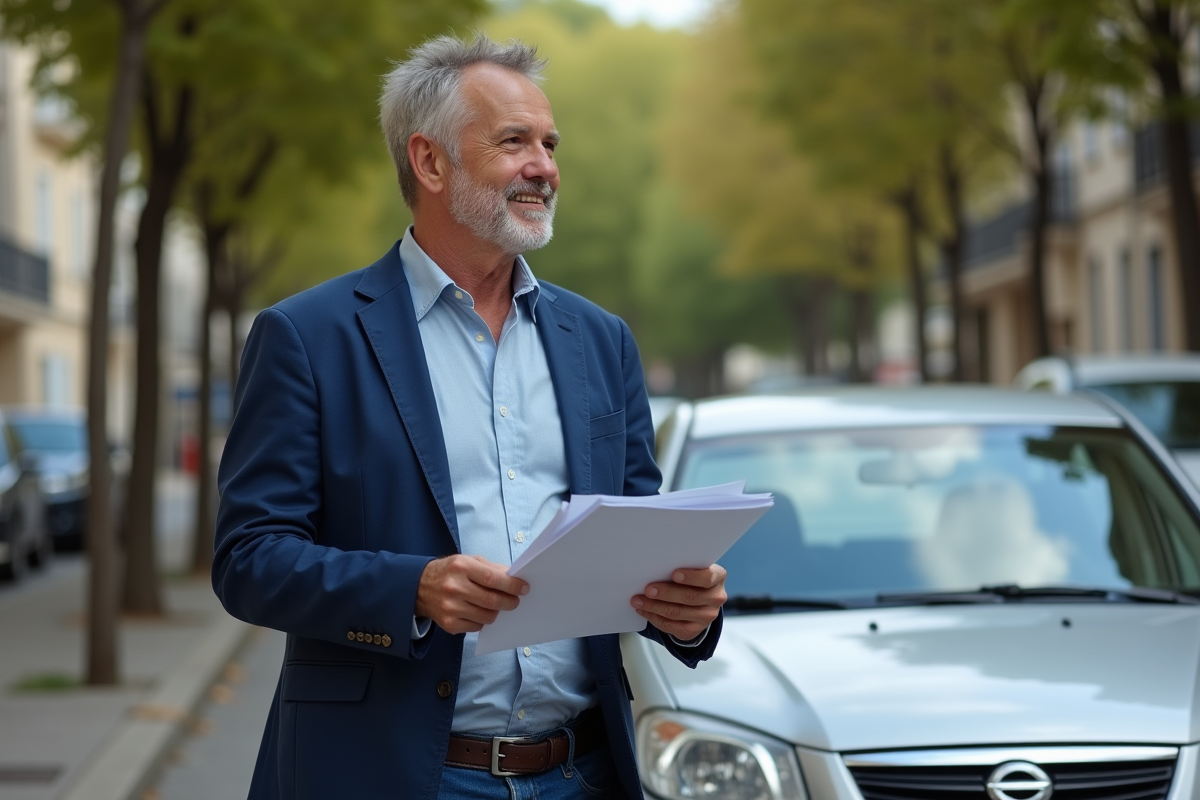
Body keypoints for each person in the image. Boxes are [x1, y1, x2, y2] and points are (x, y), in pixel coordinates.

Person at [212, 34, 727, 800]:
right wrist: (412, 588)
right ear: (429, 162)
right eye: (514, 142)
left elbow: (634, 536)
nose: (545, 168)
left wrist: (683, 612)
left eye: (550, 144)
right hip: (391, 775)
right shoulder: (308, 337)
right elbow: (248, 558)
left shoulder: (600, 339)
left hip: (580, 773)